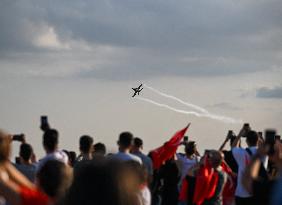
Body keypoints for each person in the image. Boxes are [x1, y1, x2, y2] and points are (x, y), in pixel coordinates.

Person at [231, 125, 268, 205]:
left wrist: (240, 133)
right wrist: (259, 137)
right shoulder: (263, 154)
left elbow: (233, 147)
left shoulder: (242, 153)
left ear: (247, 141)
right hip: (257, 193)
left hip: (241, 193)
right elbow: (266, 147)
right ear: (258, 140)